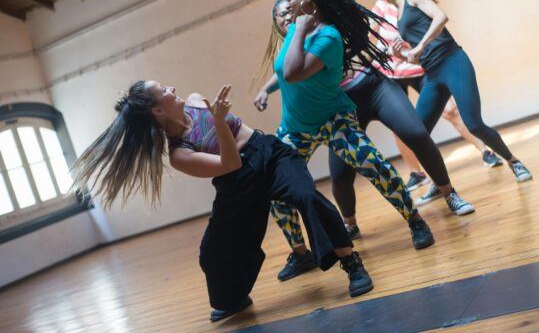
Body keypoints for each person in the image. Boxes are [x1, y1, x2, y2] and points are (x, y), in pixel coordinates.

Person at [72, 82, 377, 323]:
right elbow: (230, 165)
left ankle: (351, 263)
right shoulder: (180, 155)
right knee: (212, 252)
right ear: (158, 112)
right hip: (237, 181)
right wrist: (219, 123)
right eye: (163, 90)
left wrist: (218, 120)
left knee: (306, 196)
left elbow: (237, 142)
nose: (172, 89)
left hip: (268, 155)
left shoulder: (194, 99)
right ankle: (234, 297)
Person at [254, 0, 435, 282]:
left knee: (375, 167)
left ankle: (415, 220)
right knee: (276, 188)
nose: (288, 5)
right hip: (296, 127)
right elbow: (284, 71)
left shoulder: (328, 37)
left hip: (334, 120)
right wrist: (265, 89)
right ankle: (300, 253)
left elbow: (296, 72)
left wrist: (300, 30)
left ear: (308, 0)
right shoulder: (291, 37)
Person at [371, 0, 532, 207]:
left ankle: (513, 161)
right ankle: (441, 186)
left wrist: (420, 46)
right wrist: (402, 55)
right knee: (418, 133)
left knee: (474, 123)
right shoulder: (396, 11)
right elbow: (414, 56)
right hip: (433, 74)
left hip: (453, 61)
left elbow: (441, 17)